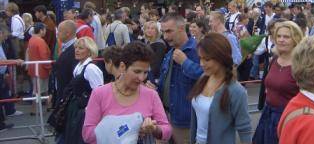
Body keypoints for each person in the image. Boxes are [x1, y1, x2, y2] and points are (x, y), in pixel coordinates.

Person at [83, 42, 171, 143]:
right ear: (122, 67)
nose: (141, 78)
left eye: (145, 72)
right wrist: (124, 129)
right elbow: (87, 134)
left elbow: (167, 130)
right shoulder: (100, 94)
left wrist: (154, 129)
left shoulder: (151, 95)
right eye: (137, 72)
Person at [189, 33, 252, 144]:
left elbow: (244, 129)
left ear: (221, 58)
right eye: (200, 58)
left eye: (207, 59)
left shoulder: (236, 91)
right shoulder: (203, 78)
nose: (201, 64)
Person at [253, 20, 304, 144]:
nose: (281, 40)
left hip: (289, 118)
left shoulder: (301, 65)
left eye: (286, 37)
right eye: (279, 36)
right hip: (268, 114)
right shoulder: (274, 60)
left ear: (296, 39)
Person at [157, 13, 203, 144]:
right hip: (166, 117)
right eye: (163, 32)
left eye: (169, 31)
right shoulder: (170, 52)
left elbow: (206, 76)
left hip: (186, 121)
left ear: (182, 28)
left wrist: (185, 62)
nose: (165, 36)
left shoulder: (197, 50)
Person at [63, 37, 104, 144]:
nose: (77, 50)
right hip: (76, 108)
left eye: (81, 48)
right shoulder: (79, 66)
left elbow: (99, 92)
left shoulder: (91, 68)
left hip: (84, 111)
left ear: (89, 51)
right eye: (76, 47)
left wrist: (89, 110)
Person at [50, 20, 78, 108]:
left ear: (68, 33)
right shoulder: (65, 46)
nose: (57, 33)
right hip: (62, 92)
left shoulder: (76, 49)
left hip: (68, 96)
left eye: (59, 31)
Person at [27, 22, 52, 114]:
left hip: (34, 68)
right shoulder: (40, 41)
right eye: (44, 29)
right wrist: (49, 67)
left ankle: (46, 106)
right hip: (41, 69)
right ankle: (35, 109)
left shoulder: (32, 39)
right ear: (41, 30)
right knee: (39, 89)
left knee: (39, 89)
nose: (45, 31)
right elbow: (44, 56)